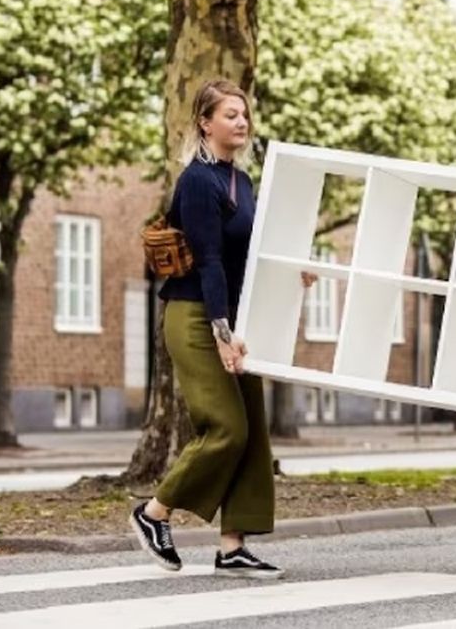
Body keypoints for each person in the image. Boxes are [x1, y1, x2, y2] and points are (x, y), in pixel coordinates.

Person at [130, 79, 308, 579]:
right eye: (231, 114)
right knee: (225, 428)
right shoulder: (197, 182)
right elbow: (208, 262)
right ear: (205, 122)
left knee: (252, 432)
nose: (242, 121)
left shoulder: (242, 182)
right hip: (196, 319)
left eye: (245, 114)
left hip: (234, 318)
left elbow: (248, 256)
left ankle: (233, 545)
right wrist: (222, 334)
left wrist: (296, 273)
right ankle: (154, 513)